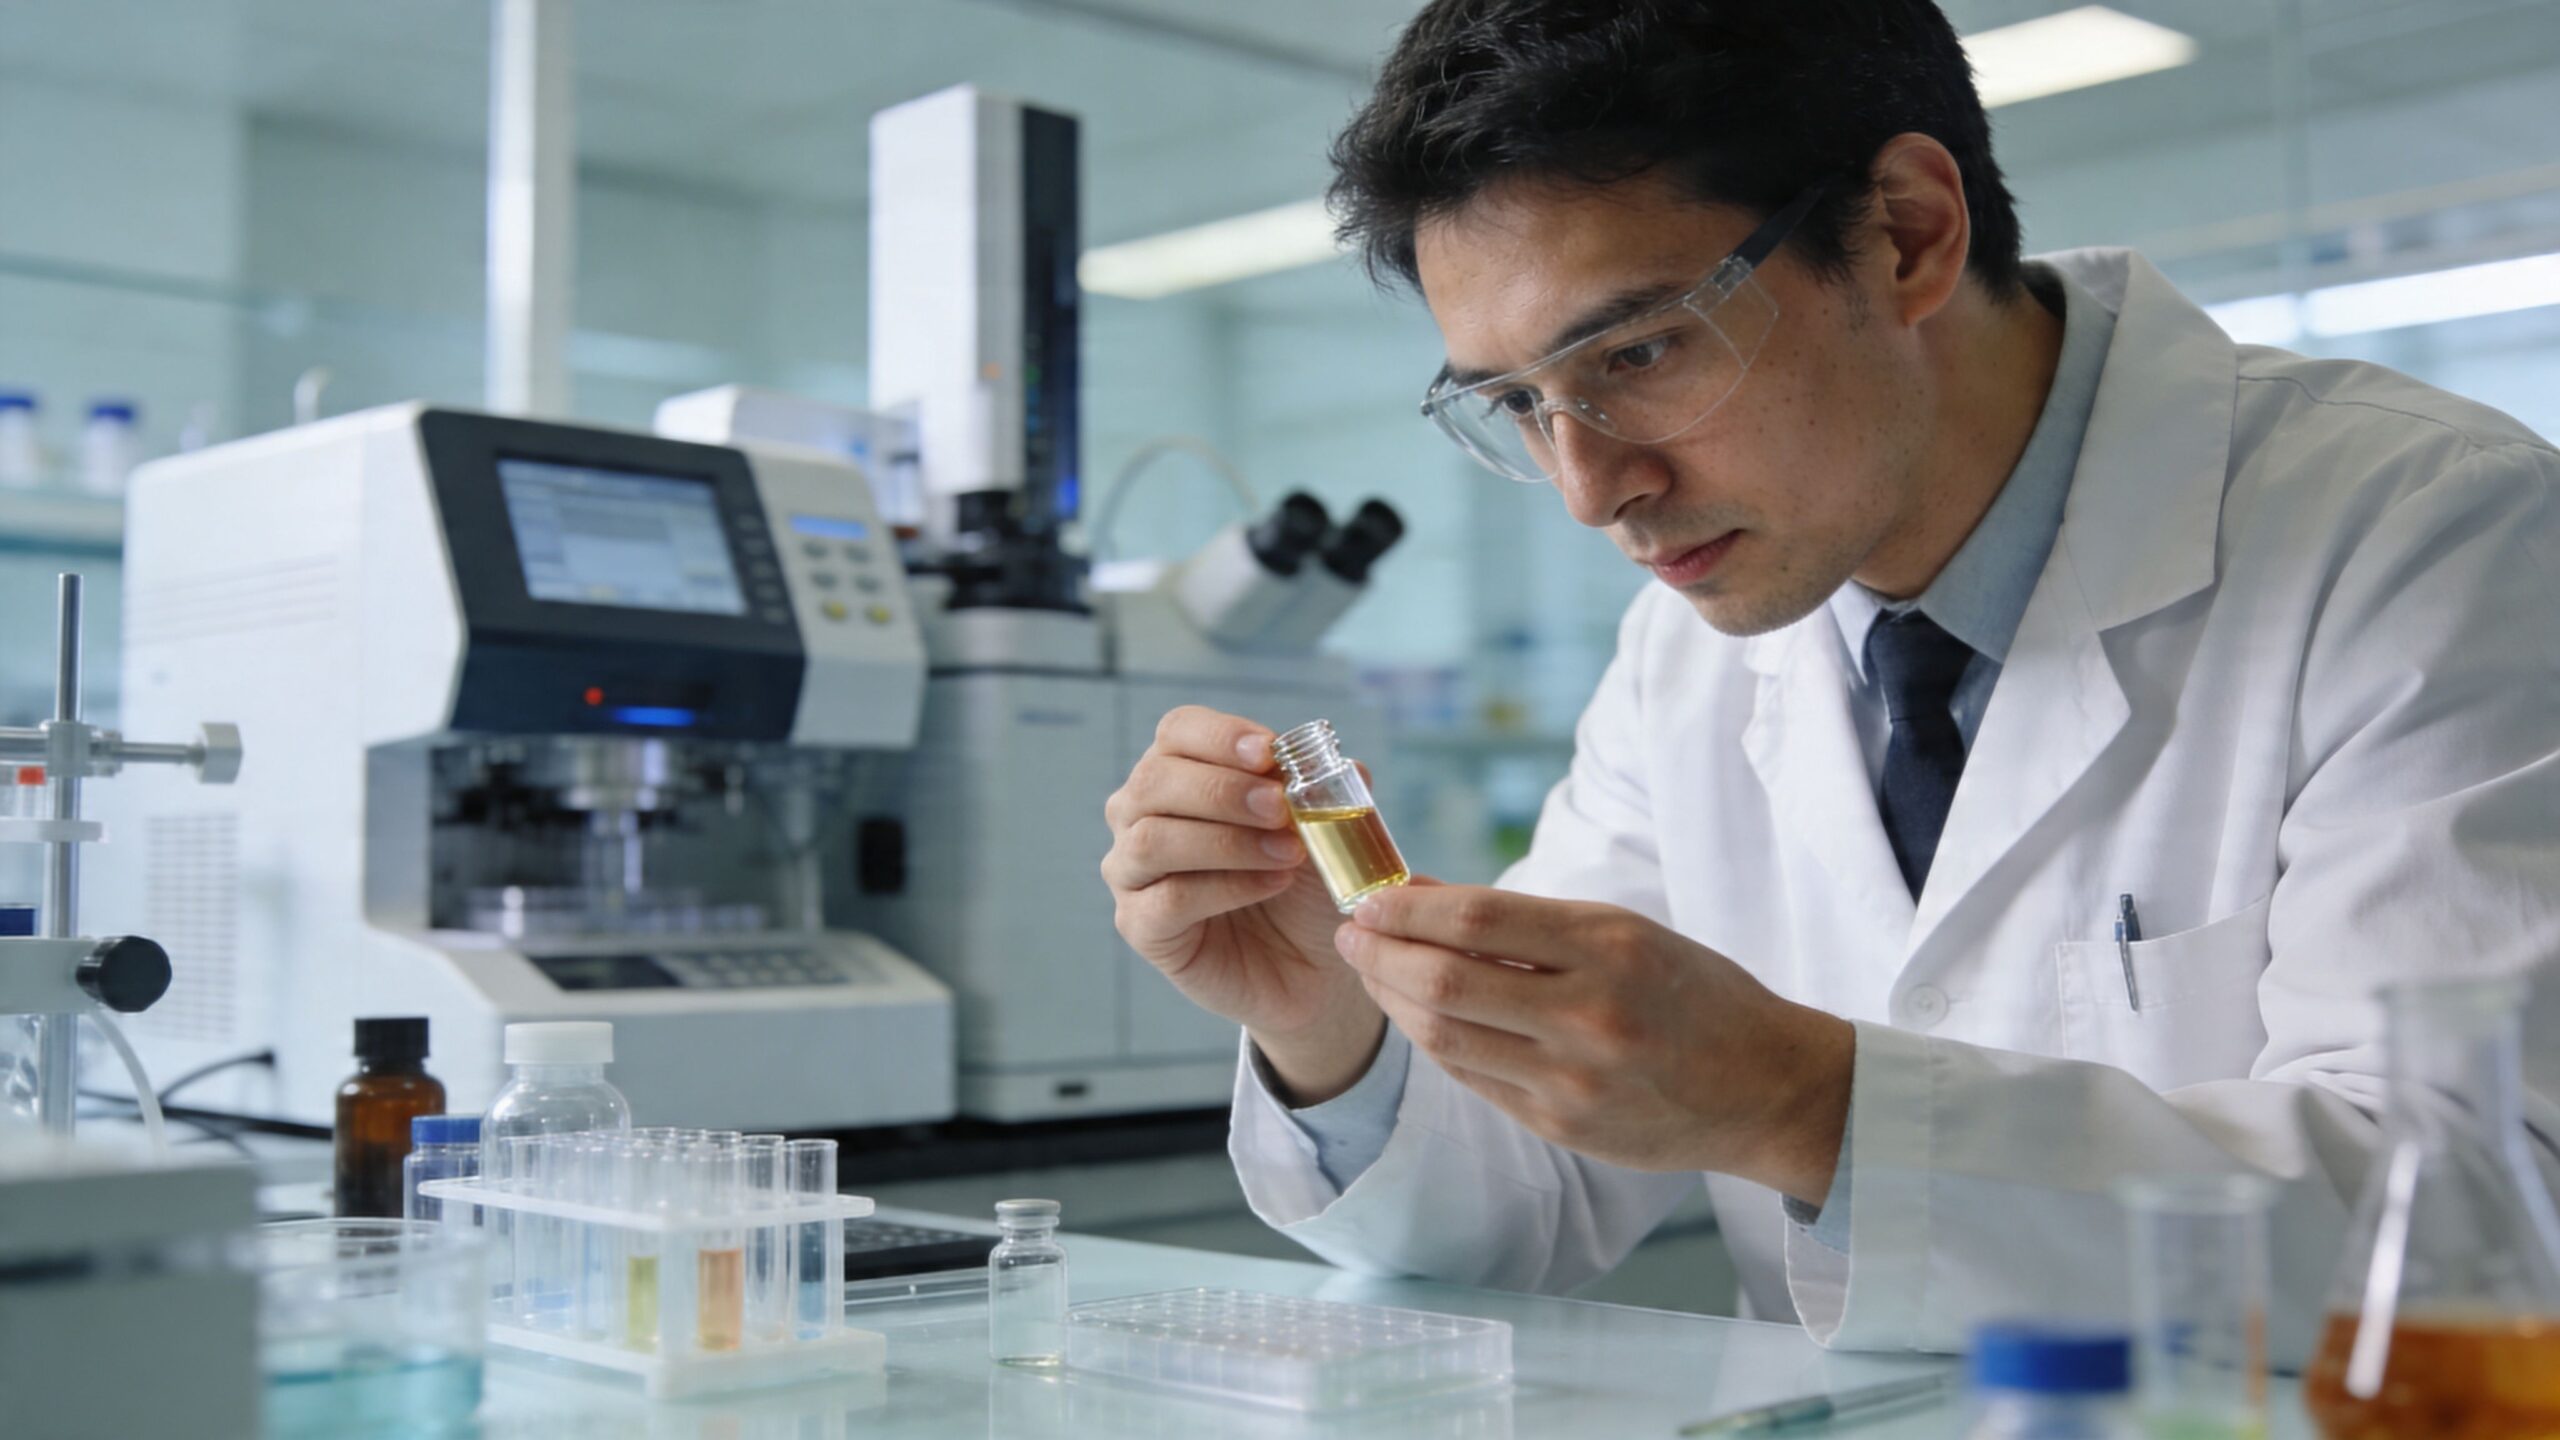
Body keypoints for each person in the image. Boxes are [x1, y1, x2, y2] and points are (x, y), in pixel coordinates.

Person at [1098, 0, 2560, 1354]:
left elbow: (2481, 1237)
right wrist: (1325, 1021)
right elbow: (1518, 1206)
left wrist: (1806, 1103)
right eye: (1519, 407)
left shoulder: (2433, 536)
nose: (1591, 490)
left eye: (1642, 350)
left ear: (1909, 234)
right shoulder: (1695, 644)